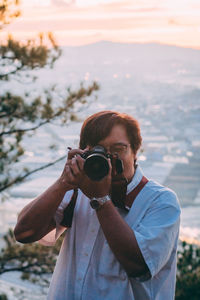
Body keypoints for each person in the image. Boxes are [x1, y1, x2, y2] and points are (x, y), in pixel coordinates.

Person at [14, 111, 181, 300]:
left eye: (118, 150)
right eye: (99, 151)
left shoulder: (161, 201)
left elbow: (139, 266)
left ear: (135, 152)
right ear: (84, 153)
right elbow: (24, 233)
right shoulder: (78, 191)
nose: (110, 159)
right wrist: (63, 183)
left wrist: (100, 199)